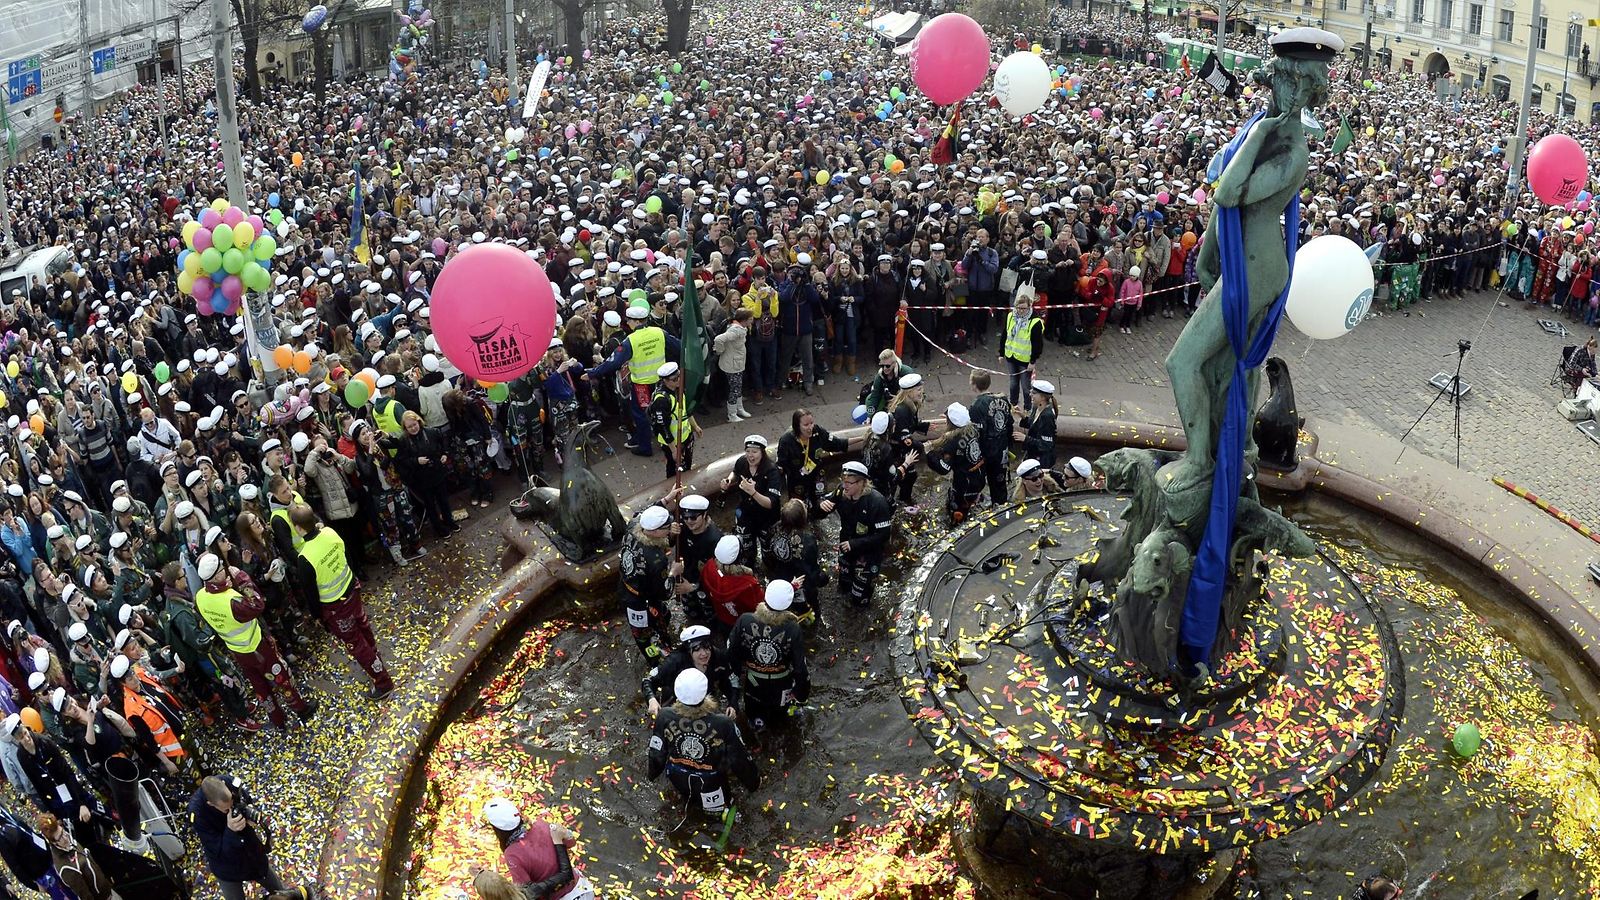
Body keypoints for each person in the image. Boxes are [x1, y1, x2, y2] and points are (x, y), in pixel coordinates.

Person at [194, 553, 319, 730]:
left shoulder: (200, 597)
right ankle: (300, 708)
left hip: (237, 651)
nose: (226, 571)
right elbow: (257, 604)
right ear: (215, 577)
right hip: (257, 646)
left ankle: (277, 719)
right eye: (222, 569)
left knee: (260, 687)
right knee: (280, 677)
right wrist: (242, 578)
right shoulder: (232, 601)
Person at [289, 504, 394, 700]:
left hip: (336, 607)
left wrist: (317, 617)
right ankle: (375, 657)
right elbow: (347, 556)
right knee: (363, 626)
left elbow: (311, 594)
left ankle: (382, 681)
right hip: (351, 590)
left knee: (356, 643)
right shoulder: (329, 532)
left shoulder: (304, 558)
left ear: (298, 528)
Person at [646, 668, 759, 820]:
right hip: (711, 783)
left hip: (678, 776)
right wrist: (753, 783)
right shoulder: (722, 723)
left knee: (685, 801)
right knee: (718, 816)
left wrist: (652, 774)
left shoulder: (664, 715)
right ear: (705, 691)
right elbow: (739, 758)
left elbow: (657, 751)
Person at [585, 305, 682, 456]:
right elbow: (678, 346)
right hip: (661, 382)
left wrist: (593, 373)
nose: (627, 323)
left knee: (641, 415)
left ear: (636, 321)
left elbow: (613, 362)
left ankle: (645, 447)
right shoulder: (659, 332)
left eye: (629, 320)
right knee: (666, 411)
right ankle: (672, 441)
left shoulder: (631, 340)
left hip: (641, 386)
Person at [190, 775, 300, 900]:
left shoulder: (230, 782)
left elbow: (247, 801)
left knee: (282, 893)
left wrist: (249, 814)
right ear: (211, 804)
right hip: (228, 868)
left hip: (253, 855)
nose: (231, 809)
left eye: (232, 802)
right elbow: (218, 851)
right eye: (226, 809)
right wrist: (230, 830)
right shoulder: (198, 814)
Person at [728, 580, 810, 735]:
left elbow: (732, 652)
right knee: (781, 718)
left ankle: (758, 736)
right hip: (781, 684)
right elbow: (800, 667)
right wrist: (801, 693)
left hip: (753, 683)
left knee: (754, 716)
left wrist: (735, 680)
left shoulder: (745, 620)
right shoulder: (792, 628)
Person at [480, 799, 595, 900]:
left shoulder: (512, 854)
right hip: (584, 889)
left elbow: (525, 891)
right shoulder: (541, 824)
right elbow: (571, 842)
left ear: (497, 829)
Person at [818, 462, 893, 608]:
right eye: (843, 481)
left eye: (849, 483)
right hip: (846, 550)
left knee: (860, 598)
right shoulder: (841, 491)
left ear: (862, 483)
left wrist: (855, 544)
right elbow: (820, 511)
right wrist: (821, 504)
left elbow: (884, 535)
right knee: (844, 586)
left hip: (868, 556)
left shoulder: (877, 502)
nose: (845, 486)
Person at [641, 625, 739, 719]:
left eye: (706, 647)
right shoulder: (674, 661)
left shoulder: (718, 657)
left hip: (705, 699)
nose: (704, 654)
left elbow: (731, 679)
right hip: (676, 700)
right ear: (688, 650)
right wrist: (651, 699)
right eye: (697, 649)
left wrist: (733, 703)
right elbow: (648, 680)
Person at [777, 408, 859, 514]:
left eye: (811, 423)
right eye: (806, 425)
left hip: (817, 475)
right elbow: (780, 465)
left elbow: (838, 443)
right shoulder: (786, 441)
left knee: (820, 505)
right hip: (796, 480)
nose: (810, 428)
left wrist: (862, 438)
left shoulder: (818, 432)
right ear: (797, 426)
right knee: (798, 510)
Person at [619, 506, 674, 661]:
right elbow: (664, 593)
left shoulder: (632, 526)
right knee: (643, 634)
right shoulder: (656, 559)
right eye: (667, 528)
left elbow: (643, 514)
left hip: (625, 586)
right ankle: (656, 661)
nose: (670, 530)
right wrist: (673, 574)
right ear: (655, 532)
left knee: (663, 616)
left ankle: (661, 637)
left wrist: (666, 499)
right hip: (640, 601)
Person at [719, 436, 783, 566]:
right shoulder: (742, 462)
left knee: (768, 550)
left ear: (762, 452)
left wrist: (752, 492)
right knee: (747, 549)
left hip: (766, 518)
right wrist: (729, 480)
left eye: (754, 452)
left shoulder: (772, 471)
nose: (750, 456)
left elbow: (771, 503)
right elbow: (735, 472)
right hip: (746, 513)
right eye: (748, 451)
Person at [765, 500, 825, 625]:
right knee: (809, 612)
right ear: (802, 518)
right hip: (801, 584)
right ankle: (810, 626)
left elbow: (768, 554)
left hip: (779, 579)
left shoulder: (773, 529)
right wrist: (822, 579)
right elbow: (810, 572)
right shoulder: (808, 541)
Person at [924, 403, 986, 523]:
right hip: (979, 476)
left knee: (957, 511)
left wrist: (929, 453)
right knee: (972, 499)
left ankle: (958, 527)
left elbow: (944, 468)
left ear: (950, 423)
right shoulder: (974, 428)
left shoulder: (952, 441)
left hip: (964, 484)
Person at [701, 535, 765, 639]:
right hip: (743, 623)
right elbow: (758, 606)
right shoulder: (748, 584)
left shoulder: (709, 567)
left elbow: (706, 589)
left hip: (723, 617)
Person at [649, 363, 701, 480]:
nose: (679, 380)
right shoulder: (661, 400)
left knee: (686, 466)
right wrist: (674, 450)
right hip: (673, 443)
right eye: (675, 379)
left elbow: (685, 410)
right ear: (665, 381)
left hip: (685, 437)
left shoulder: (679, 388)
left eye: (679, 376)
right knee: (674, 470)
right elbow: (662, 428)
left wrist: (695, 426)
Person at [969, 371, 1014, 506]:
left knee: (976, 483)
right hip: (1002, 450)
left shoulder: (977, 406)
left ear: (974, 385)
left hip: (987, 452)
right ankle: (1002, 510)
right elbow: (1009, 424)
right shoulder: (1003, 399)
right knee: (1000, 484)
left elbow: (977, 433)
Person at [999, 292, 1043, 408]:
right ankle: (1013, 405)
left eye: (1024, 308)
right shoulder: (1010, 316)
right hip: (1011, 356)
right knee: (1013, 384)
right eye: (1018, 308)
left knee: (1025, 387)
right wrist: (1001, 353)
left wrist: (1032, 361)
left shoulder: (1035, 322)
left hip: (1025, 361)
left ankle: (1027, 407)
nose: (1020, 311)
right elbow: (1005, 334)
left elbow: (1037, 345)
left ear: (1029, 307)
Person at [1015, 380, 1059, 470]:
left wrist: (1026, 439)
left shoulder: (1047, 416)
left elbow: (1046, 444)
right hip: (1033, 454)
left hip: (1042, 460)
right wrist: (1023, 417)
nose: (1030, 394)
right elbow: (1034, 426)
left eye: (1034, 393)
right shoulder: (1036, 407)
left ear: (1042, 397)